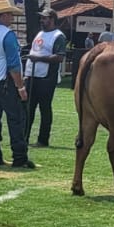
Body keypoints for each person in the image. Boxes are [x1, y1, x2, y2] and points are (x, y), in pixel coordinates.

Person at [0, 4, 34, 169]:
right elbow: (14, 65)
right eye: (10, 15)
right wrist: (21, 87)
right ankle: (20, 157)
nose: (12, 18)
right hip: (6, 81)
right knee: (15, 119)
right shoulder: (7, 35)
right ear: (2, 16)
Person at [25, 10, 68, 147]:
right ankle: (24, 137)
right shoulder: (40, 33)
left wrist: (38, 59)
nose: (41, 21)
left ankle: (43, 140)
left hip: (46, 78)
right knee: (28, 108)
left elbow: (59, 57)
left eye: (44, 18)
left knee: (44, 109)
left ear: (52, 19)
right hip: (32, 75)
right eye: (41, 18)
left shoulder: (58, 36)